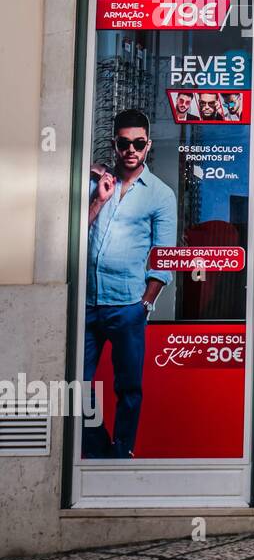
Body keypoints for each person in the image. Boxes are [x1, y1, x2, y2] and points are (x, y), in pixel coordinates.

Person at [83, 109, 177, 458]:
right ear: (115, 145)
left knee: (129, 389)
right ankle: (99, 452)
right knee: (74, 386)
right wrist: (98, 197)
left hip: (127, 307)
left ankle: (120, 456)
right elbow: (71, 234)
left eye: (139, 142)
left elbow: (164, 257)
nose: (131, 149)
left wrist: (144, 305)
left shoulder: (160, 195)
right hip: (87, 303)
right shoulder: (94, 184)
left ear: (148, 144)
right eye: (125, 143)